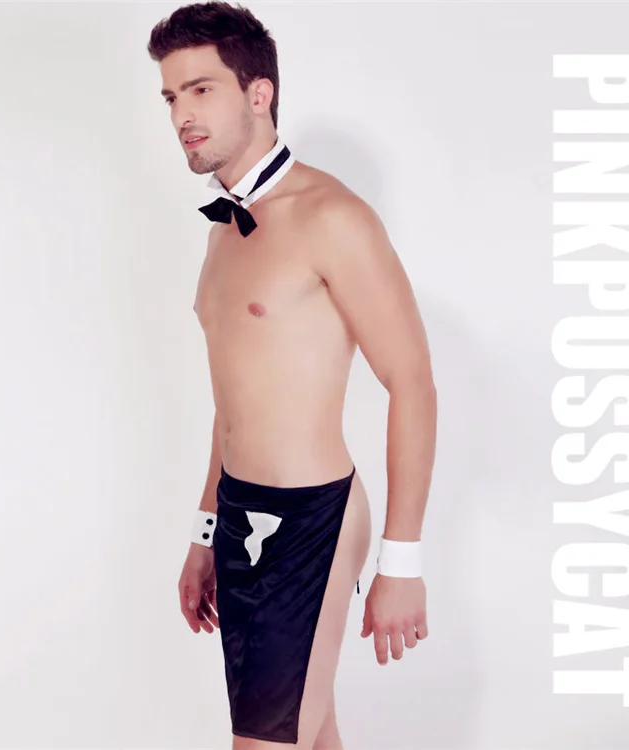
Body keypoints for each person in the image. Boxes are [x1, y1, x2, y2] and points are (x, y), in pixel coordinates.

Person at [147, 3, 437, 748]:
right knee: (310, 733)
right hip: (238, 513)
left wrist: (402, 561)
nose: (182, 114)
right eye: (172, 96)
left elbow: (412, 381)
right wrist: (205, 531)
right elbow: (233, 404)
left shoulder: (332, 216)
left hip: (312, 521)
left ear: (259, 93)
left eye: (201, 89)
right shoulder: (224, 229)